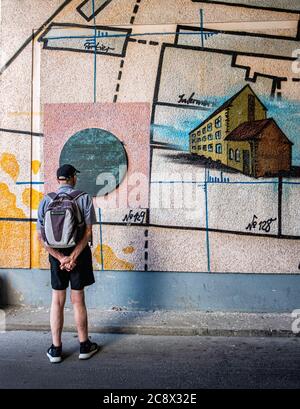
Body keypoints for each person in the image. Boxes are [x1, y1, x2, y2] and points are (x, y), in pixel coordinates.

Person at [37, 164, 99, 363]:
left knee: (57, 301)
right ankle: (84, 346)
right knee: (78, 300)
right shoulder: (83, 198)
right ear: (73, 178)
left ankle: (56, 349)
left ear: (58, 180)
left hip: (57, 258)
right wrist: (72, 257)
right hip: (78, 255)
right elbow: (88, 232)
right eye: (75, 176)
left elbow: (40, 237)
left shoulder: (46, 200)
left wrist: (60, 258)